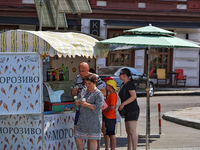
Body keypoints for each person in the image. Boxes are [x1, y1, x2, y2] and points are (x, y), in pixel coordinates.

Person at [74, 74, 104, 150]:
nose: (87, 85)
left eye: (89, 83)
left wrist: (86, 104)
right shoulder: (84, 91)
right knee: (78, 137)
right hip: (83, 119)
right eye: (86, 83)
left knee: (92, 140)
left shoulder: (98, 94)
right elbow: (79, 103)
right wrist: (77, 103)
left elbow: (98, 107)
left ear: (94, 83)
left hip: (93, 120)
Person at [118, 68, 140, 150]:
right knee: (128, 131)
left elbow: (133, 96)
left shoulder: (130, 84)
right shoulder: (123, 85)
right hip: (126, 109)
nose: (119, 76)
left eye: (120, 74)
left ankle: (134, 148)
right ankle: (129, 148)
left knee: (132, 130)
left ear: (125, 75)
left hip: (132, 109)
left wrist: (123, 104)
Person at [102, 80, 118, 150]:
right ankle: (107, 148)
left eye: (106, 85)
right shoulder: (110, 95)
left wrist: (103, 109)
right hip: (107, 116)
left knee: (111, 135)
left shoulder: (113, 95)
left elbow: (112, 107)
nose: (105, 87)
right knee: (106, 133)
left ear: (110, 86)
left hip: (110, 117)